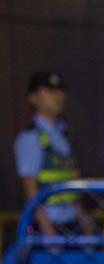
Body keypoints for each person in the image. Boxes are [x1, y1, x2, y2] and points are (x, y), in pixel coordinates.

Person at [13, 71, 81, 235]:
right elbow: (30, 188)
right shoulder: (31, 137)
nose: (58, 96)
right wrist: (47, 230)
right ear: (34, 98)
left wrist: (83, 219)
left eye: (60, 91)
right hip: (49, 226)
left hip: (71, 223)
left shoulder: (63, 134)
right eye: (50, 91)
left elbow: (72, 183)